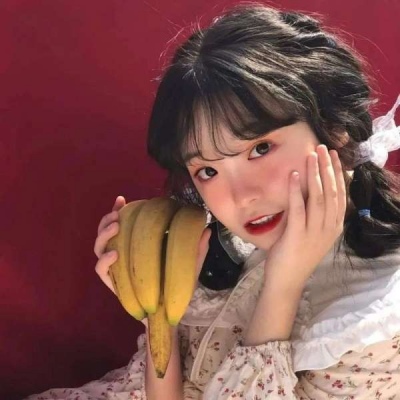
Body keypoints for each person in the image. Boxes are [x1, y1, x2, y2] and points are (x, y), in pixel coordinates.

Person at [26, 3, 400, 399]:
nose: (240, 197)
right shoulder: (216, 246)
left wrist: (282, 287)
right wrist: (158, 317)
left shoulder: (375, 320)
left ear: (336, 129)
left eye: (260, 148)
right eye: (207, 170)